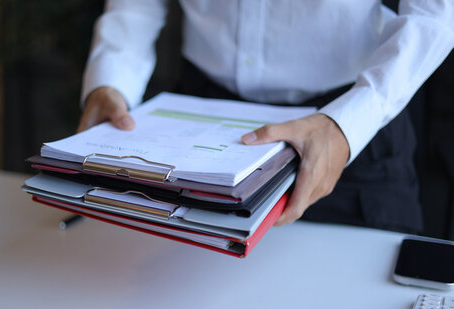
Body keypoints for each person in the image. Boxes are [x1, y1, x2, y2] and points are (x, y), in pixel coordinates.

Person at [77, 0, 454, 234]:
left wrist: (350, 121)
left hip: (352, 123)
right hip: (199, 123)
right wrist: (112, 77)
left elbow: (436, 12)